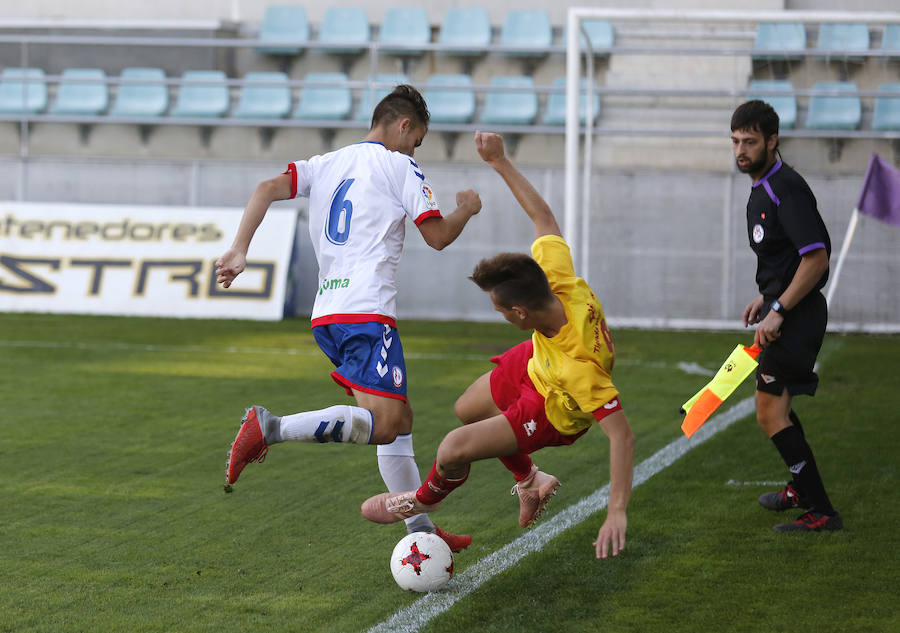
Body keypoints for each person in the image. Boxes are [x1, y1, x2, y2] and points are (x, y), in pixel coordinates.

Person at [217, 85, 482, 552]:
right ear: (403, 126)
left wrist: (240, 249)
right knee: (382, 422)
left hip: (329, 313)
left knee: (400, 420)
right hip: (366, 311)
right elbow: (437, 236)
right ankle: (269, 427)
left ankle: (420, 533)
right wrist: (466, 209)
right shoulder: (399, 165)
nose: (414, 149)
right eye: (416, 139)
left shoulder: (324, 164)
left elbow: (265, 189)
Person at [361, 131, 635, 560]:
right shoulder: (557, 279)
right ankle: (532, 482)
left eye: (500, 310)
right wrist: (500, 161)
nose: (499, 314)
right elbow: (543, 216)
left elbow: (621, 437)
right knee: (466, 408)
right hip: (535, 359)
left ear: (520, 313)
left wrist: (616, 509)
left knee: (453, 447)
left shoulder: (580, 367)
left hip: (554, 405)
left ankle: (419, 503)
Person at [730, 100, 842, 532]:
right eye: (736, 141)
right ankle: (801, 488)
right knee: (775, 408)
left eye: (751, 141)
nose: (742, 149)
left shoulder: (784, 188)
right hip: (788, 310)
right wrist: (766, 296)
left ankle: (822, 512)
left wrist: (778, 309)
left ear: (772, 141)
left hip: (798, 317)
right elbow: (787, 256)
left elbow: (815, 259)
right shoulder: (762, 186)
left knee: (768, 412)